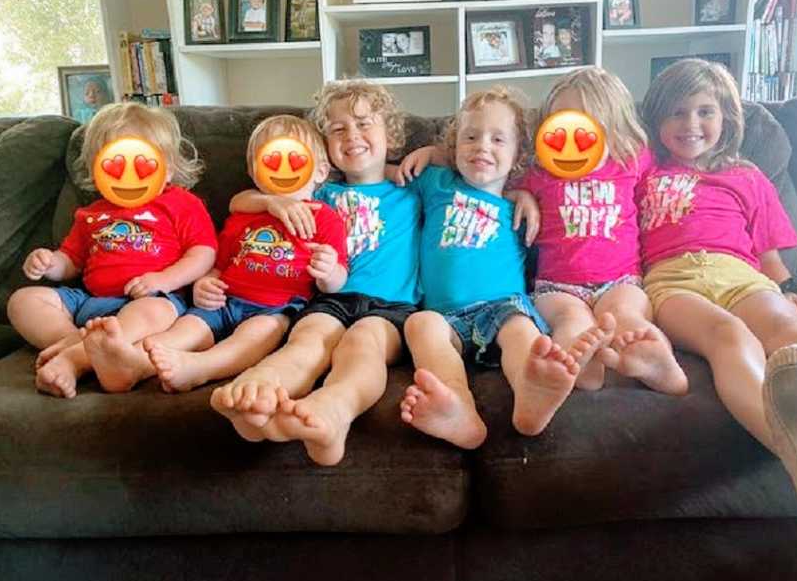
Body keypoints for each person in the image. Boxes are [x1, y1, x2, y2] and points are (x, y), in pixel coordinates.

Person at [640, 58, 797, 523]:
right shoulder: (644, 171)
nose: (691, 124)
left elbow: (769, 257)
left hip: (741, 274)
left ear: (727, 118)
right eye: (677, 113)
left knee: (791, 331)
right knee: (729, 337)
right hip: (670, 281)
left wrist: (790, 288)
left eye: (705, 112)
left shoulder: (746, 176)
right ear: (656, 121)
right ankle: (796, 452)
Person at [399, 68, 687, 397]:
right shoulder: (539, 172)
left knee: (625, 315)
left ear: (613, 127)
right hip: (556, 287)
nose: (571, 137)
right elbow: (487, 173)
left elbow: (680, 165)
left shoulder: (631, 162)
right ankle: (580, 369)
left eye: (586, 126)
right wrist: (437, 154)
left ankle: (659, 365)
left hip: (620, 279)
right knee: (569, 323)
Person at [210, 80, 421, 466]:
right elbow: (240, 202)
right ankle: (260, 394)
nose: (352, 135)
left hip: (391, 306)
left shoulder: (412, 188)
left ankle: (335, 410)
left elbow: (468, 169)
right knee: (306, 340)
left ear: (389, 134)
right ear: (324, 152)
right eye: (338, 129)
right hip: (329, 299)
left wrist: (424, 155)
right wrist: (272, 202)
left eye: (363, 124)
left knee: (362, 343)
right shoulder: (318, 192)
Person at [397, 86, 613, 448]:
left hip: (501, 305)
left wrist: (521, 194)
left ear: (517, 158)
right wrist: (429, 153)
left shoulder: (521, 203)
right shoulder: (436, 182)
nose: (482, 146)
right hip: (444, 316)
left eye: (498, 139)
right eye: (470, 137)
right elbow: (374, 176)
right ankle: (458, 409)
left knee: (521, 331)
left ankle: (532, 392)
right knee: (420, 325)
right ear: (454, 149)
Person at [7, 103, 218, 399]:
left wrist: (164, 280)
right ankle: (74, 342)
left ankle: (75, 360)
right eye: (115, 166)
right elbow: (71, 261)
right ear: (97, 170)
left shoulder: (181, 204)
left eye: (143, 164)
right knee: (23, 300)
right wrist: (48, 263)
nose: (129, 176)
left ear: (168, 168)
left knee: (155, 311)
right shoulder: (91, 214)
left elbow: (204, 252)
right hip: (90, 303)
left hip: (151, 299)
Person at [141, 115, 348, 393]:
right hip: (225, 300)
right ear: (253, 173)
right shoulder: (245, 215)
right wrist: (205, 283)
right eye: (271, 162)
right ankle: (135, 362)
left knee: (258, 334)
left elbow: (336, 282)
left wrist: (329, 271)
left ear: (320, 172)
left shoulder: (324, 218)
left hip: (274, 309)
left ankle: (200, 368)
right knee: (188, 326)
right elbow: (221, 261)